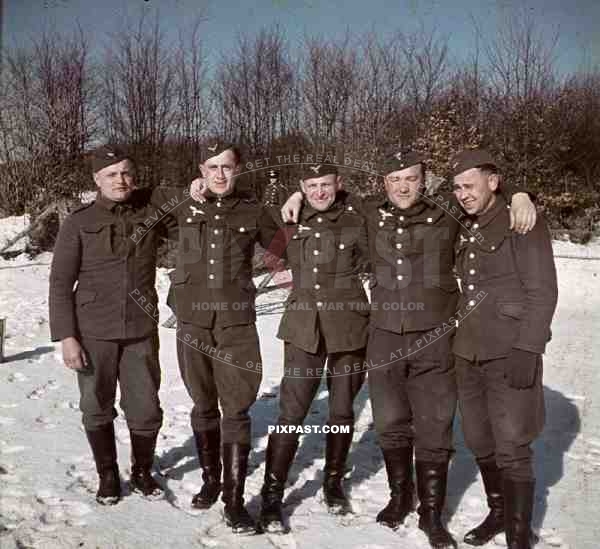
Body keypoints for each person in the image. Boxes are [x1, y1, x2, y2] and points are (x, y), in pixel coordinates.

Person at [282, 149, 536, 549]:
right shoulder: (368, 212)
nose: (403, 186)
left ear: (424, 180)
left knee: (434, 426)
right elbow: (325, 198)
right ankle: (401, 497)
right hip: (383, 335)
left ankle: (431, 514)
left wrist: (521, 193)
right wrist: (295, 196)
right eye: (394, 179)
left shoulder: (447, 212)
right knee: (390, 422)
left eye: (411, 178)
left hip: (433, 337)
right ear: (383, 183)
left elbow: (486, 191)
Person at [168, 141, 284, 534]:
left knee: (235, 408)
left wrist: (299, 201)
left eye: (228, 167)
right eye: (212, 167)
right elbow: (141, 202)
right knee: (202, 403)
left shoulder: (252, 210)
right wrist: (184, 192)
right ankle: (210, 479)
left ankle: (234, 502)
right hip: (193, 320)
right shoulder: (183, 206)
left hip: (236, 323)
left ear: (238, 170)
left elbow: (286, 245)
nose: (220, 174)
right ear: (201, 170)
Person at [450, 149, 557, 549]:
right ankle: (498, 511)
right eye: (457, 187)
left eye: (470, 185)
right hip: (468, 351)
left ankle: (517, 534)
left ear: (493, 182)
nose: (463, 194)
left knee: (512, 445)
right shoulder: (466, 220)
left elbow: (543, 291)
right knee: (479, 439)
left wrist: (528, 348)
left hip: (510, 349)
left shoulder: (521, 220)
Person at [49, 146, 166, 505]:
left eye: (126, 173)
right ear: (97, 180)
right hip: (93, 330)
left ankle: (143, 470)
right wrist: (67, 338)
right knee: (96, 404)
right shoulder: (79, 222)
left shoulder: (151, 211)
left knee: (145, 406)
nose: (120, 180)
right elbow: (59, 283)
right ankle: (108, 474)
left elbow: (192, 199)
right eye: (111, 174)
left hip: (139, 331)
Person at [258, 162, 369, 532]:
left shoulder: (359, 214)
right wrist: (299, 288)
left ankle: (333, 482)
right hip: (304, 329)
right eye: (311, 186)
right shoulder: (289, 219)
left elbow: (394, 205)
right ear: (302, 188)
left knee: (340, 412)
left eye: (326, 184)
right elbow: (272, 257)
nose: (319, 192)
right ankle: (272, 492)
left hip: (350, 328)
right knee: (292, 411)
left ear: (339, 184)